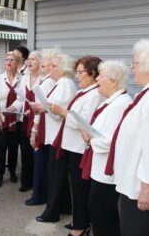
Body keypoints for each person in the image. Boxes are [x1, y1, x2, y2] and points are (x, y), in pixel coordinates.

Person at [49, 56, 102, 235]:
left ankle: (80, 227)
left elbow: (84, 123)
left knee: (81, 189)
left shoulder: (95, 94)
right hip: (72, 146)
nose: (77, 76)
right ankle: (79, 221)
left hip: (81, 148)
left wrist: (62, 112)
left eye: (80, 72)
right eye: (77, 72)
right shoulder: (83, 91)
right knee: (76, 188)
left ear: (93, 73)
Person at [79, 60, 132, 236]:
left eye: (101, 76)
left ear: (114, 81)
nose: (97, 80)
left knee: (103, 214)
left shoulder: (120, 104)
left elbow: (111, 141)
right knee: (99, 212)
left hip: (107, 173)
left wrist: (89, 139)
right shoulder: (111, 101)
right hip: (100, 169)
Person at [107, 39, 149, 236]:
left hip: (138, 190)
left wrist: (146, 189)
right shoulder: (144, 94)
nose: (131, 68)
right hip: (131, 186)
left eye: (135, 63)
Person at [34, 52, 76, 223]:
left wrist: (42, 107)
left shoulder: (65, 83)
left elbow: (59, 113)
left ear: (63, 69)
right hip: (57, 136)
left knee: (55, 175)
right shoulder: (61, 83)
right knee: (59, 175)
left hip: (59, 137)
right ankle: (65, 206)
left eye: (54, 66)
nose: (51, 69)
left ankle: (52, 213)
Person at [24, 48, 57, 205]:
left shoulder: (49, 82)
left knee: (41, 160)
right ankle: (39, 193)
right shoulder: (46, 80)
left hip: (43, 125)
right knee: (41, 161)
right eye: (42, 60)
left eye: (46, 60)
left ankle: (39, 195)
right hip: (42, 123)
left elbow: (41, 108)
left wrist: (35, 130)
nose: (43, 63)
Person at [6, 50, 43, 192]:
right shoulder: (25, 78)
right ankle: (25, 182)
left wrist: (33, 111)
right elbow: (20, 99)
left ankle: (36, 183)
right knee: (25, 152)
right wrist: (13, 107)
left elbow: (43, 103)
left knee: (36, 152)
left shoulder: (44, 79)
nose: (30, 62)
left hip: (38, 121)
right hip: (24, 121)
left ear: (40, 62)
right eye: (29, 60)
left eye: (33, 59)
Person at [0, 51, 22, 188]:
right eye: (6, 59)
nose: (8, 62)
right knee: (1, 147)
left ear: (17, 63)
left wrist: (12, 109)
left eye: (12, 60)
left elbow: (22, 99)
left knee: (14, 148)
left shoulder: (23, 78)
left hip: (16, 119)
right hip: (1, 119)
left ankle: (12, 172)